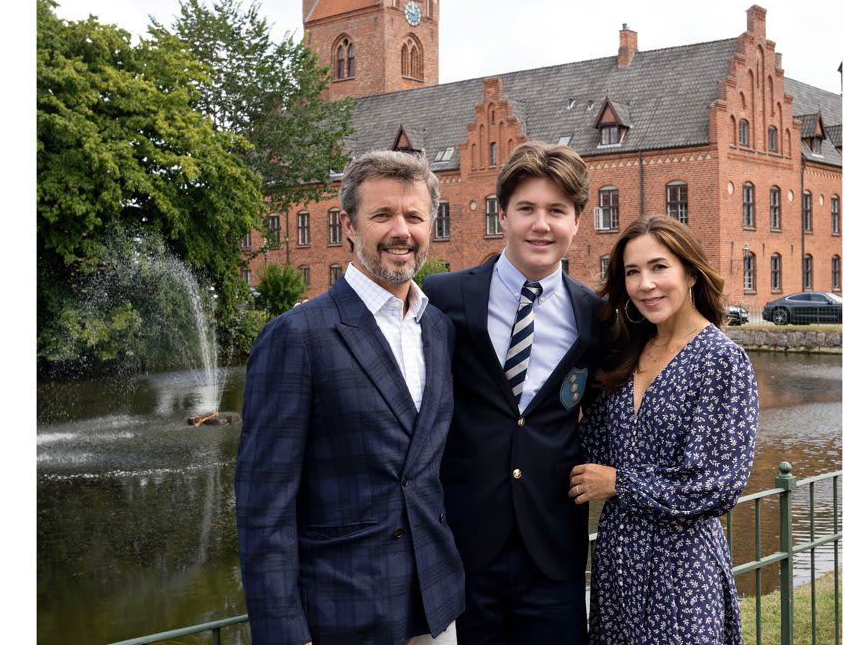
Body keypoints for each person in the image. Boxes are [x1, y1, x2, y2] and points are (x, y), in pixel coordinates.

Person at [234, 151, 463, 645]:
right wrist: (284, 634)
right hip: (341, 612)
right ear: (351, 225)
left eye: (414, 216)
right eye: (382, 215)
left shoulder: (438, 330)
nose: (401, 231)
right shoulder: (297, 336)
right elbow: (264, 509)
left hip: (435, 606)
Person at [422, 142, 607, 645]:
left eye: (556, 211)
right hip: (464, 548)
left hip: (553, 551)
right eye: (526, 209)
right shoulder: (442, 298)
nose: (540, 225)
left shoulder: (595, 316)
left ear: (578, 220)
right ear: (502, 213)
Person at [569, 215, 759, 644]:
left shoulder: (721, 361)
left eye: (659, 267)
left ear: (690, 273)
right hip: (618, 566)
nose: (645, 284)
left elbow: (717, 484)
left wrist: (620, 483)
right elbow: (592, 448)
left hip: (682, 570)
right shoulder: (623, 353)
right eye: (632, 272)